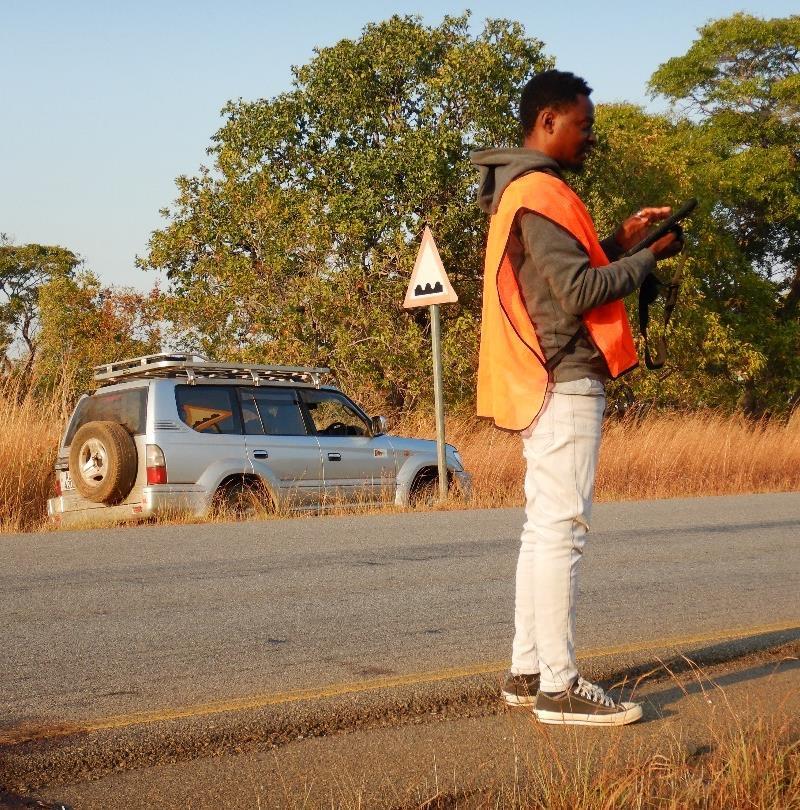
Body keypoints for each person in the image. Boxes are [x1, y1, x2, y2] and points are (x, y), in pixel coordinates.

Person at [470, 70, 683, 726]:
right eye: (584, 126)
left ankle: (528, 671)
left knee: (543, 530)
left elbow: (567, 271)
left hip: (544, 378)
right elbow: (581, 292)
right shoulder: (541, 191)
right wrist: (648, 259)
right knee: (562, 532)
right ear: (548, 122)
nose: (591, 137)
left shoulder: (523, 189)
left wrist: (623, 241)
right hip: (564, 378)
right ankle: (559, 688)